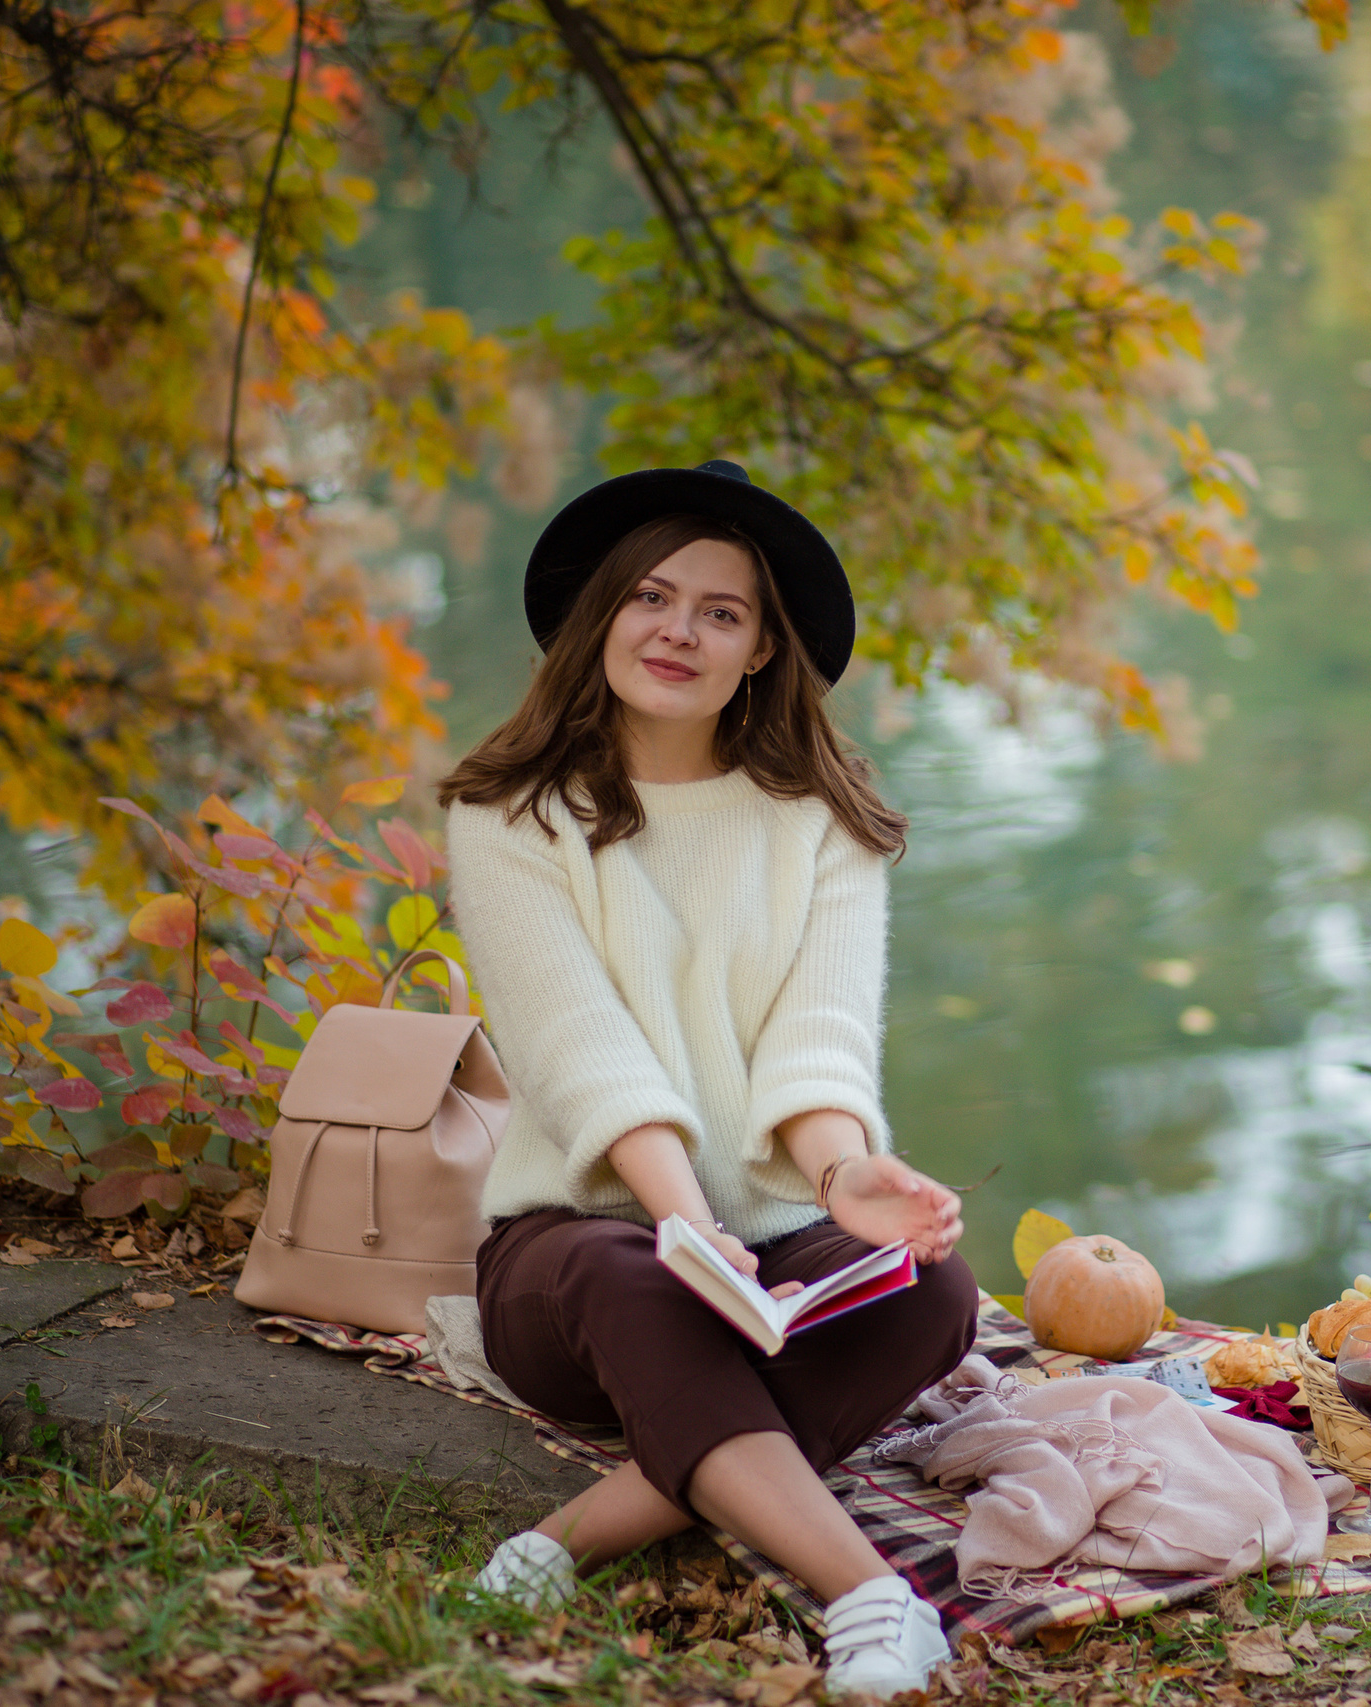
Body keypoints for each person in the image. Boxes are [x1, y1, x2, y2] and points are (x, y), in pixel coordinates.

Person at [439, 460, 977, 1697]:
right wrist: (685, 1223)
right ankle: (874, 1600)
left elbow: (817, 1037)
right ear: (602, 619)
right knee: (640, 1281)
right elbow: (583, 1052)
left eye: (720, 613)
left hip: (771, 1244)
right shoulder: (512, 815)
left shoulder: (824, 822)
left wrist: (846, 1173)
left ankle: (568, 1539)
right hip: (577, 1256)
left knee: (931, 1299)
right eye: (650, 597)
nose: (677, 630)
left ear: (760, 654)